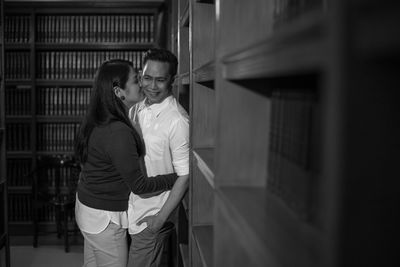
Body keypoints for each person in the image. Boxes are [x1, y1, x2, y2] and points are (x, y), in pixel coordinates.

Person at [74, 59, 178, 267]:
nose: (141, 84)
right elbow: (139, 186)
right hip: (104, 218)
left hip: (87, 208)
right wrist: (176, 177)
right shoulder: (117, 131)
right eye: (135, 80)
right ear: (118, 91)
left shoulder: (99, 118)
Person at [127, 49, 189, 267]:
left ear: (171, 80)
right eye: (147, 78)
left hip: (152, 216)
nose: (152, 86)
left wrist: (159, 220)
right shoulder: (135, 110)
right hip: (130, 210)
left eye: (160, 80)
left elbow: (185, 176)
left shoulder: (178, 120)